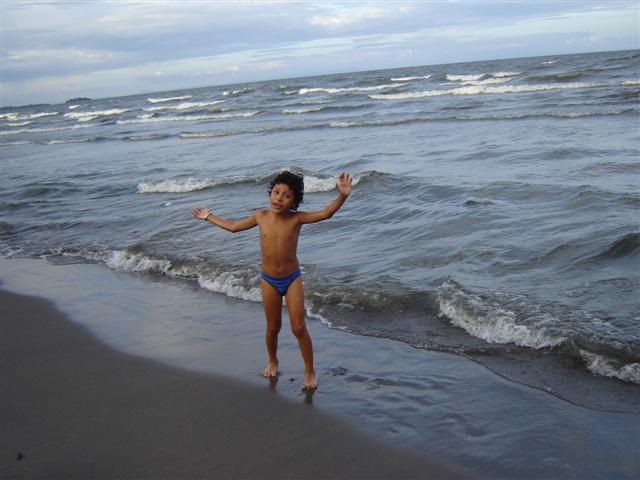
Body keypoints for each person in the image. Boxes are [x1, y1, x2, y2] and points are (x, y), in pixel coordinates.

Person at [192, 171, 352, 390]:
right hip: (268, 280)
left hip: (292, 279)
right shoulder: (260, 216)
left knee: (298, 327)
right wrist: (208, 216)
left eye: (286, 195)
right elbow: (233, 227)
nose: (279, 198)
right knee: (273, 327)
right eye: (276, 192)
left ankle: (309, 372)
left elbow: (326, 214)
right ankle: (272, 361)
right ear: (270, 193)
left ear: (294, 201)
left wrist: (342, 196)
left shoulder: (297, 218)